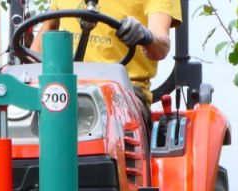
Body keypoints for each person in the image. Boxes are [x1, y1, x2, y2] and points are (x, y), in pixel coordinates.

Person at [31, 0, 182, 120]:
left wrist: (145, 36)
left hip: (123, 89)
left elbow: (161, 47)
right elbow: (46, 32)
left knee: (103, 119)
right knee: (25, 117)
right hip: (65, 86)